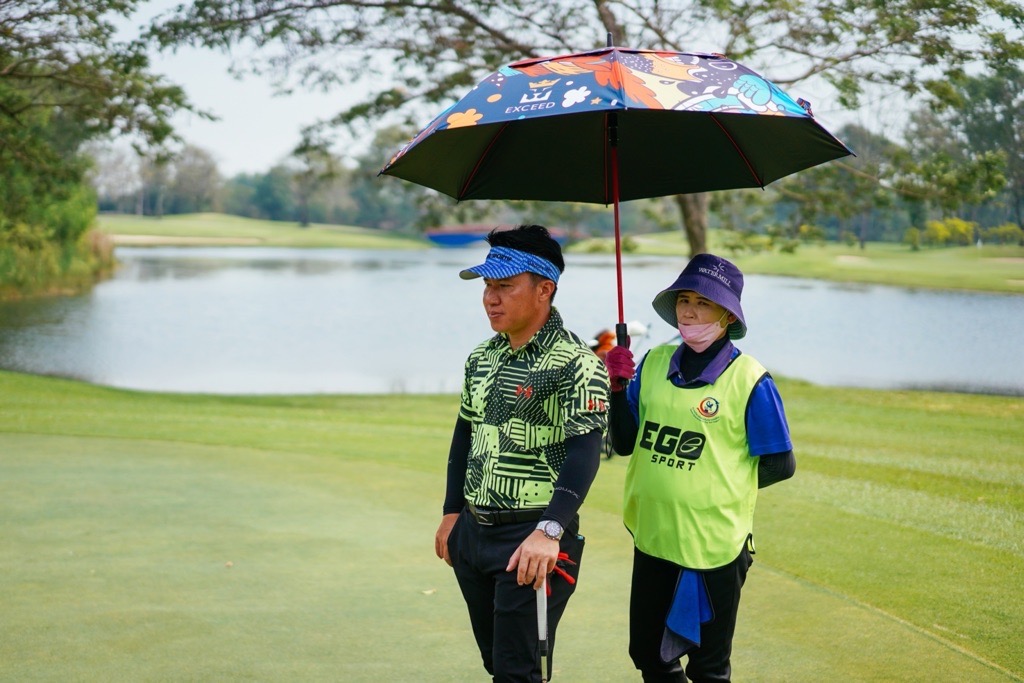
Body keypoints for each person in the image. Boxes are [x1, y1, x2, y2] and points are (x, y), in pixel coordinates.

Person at [603, 253, 796, 683]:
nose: (689, 311)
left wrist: (718, 486)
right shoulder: (653, 362)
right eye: (684, 300)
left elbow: (781, 464)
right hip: (655, 535)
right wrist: (617, 389)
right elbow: (624, 443)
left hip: (714, 547)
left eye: (703, 303)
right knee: (648, 654)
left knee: (708, 668)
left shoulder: (751, 379)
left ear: (728, 316)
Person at [434, 224, 610, 682]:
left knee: (517, 672)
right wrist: (452, 513)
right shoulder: (482, 357)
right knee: (497, 663)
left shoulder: (577, 363)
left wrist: (550, 531)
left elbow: (585, 453)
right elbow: (465, 434)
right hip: (473, 532)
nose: (490, 299)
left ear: (543, 289)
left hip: (533, 538)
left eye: (505, 286)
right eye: (487, 287)